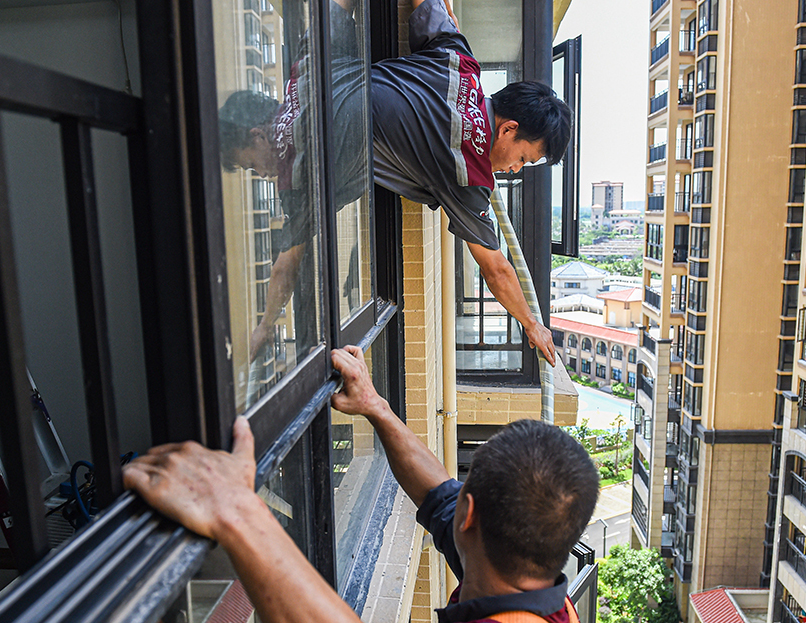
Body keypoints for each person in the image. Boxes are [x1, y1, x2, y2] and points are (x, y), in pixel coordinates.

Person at [124, 345, 603, 623]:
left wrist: (238, 513)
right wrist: (375, 406)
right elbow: (437, 492)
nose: (454, 499)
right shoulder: (536, 602)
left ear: (470, 517)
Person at [222, 0, 568, 366]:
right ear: (509, 129)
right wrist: (532, 323)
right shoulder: (467, 171)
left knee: (331, 44)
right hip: (330, 154)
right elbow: (495, 268)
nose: (514, 169)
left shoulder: (458, 63)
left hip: (328, 82)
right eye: (523, 159)